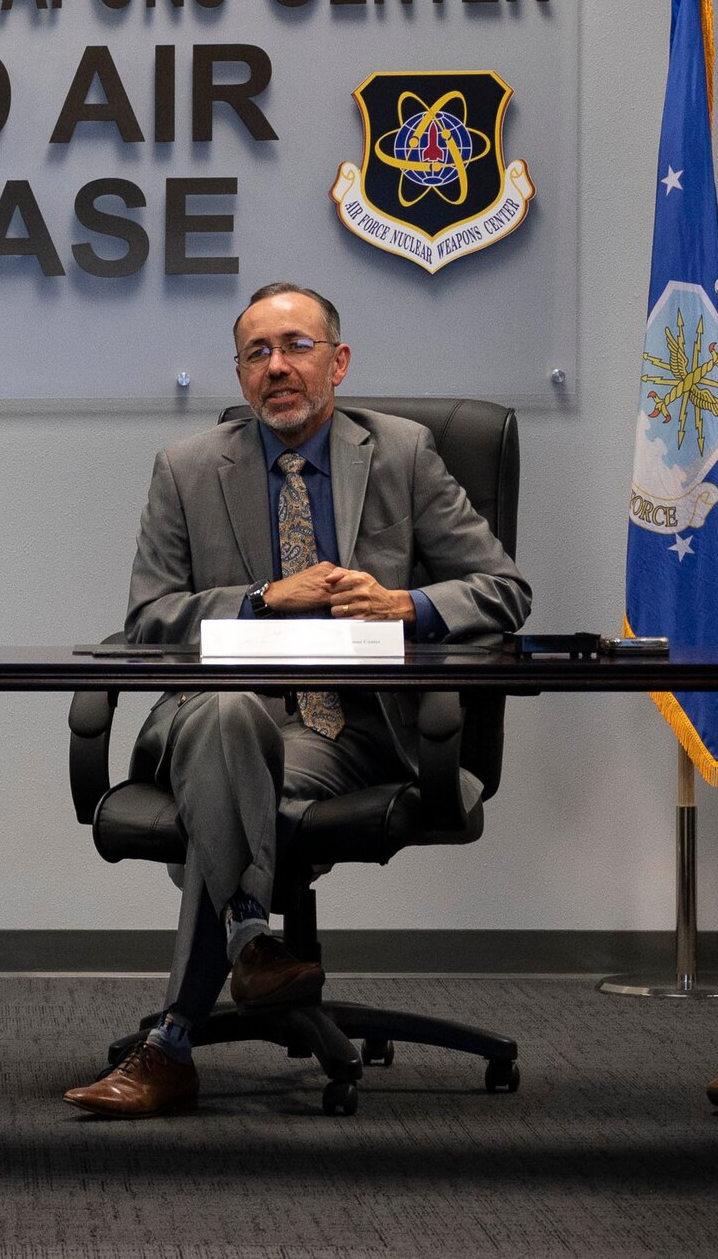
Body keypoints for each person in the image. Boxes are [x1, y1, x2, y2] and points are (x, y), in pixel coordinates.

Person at [64, 282, 531, 1119]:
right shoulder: (187, 469)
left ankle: (180, 1033)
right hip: (216, 715)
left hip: (349, 727)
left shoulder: (404, 454)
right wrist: (259, 599)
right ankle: (246, 940)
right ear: (241, 376)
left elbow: (503, 589)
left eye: (297, 347)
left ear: (338, 361)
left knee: (230, 765)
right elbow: (148, 618)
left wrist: (410, 604)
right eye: (257, 353)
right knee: (228, 712)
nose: (278, 367)